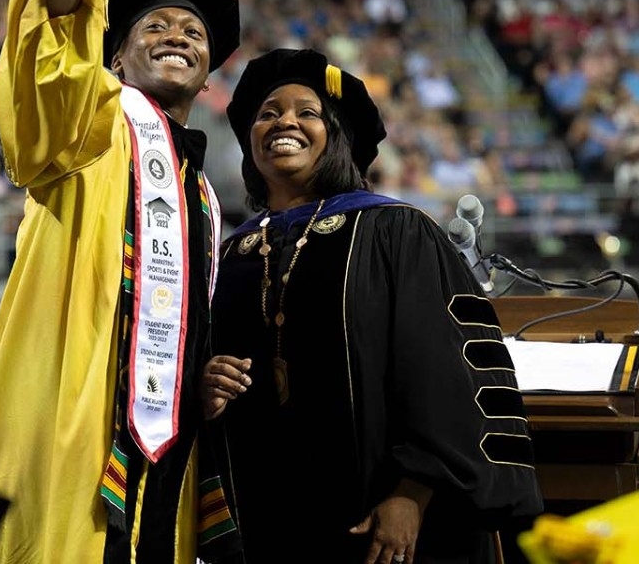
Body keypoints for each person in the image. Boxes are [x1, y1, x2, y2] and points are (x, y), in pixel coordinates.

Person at [0, 0, 242, 564]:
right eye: (156, 25)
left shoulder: (203, 198)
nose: (178, 33)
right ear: (115, 55)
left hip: (166, 453)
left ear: (209, 72)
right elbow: (51, 66)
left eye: (193, 32)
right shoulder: (93, 125)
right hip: (76, 415)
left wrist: (200, 369)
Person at [203, 49, 543, 564]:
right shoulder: (234, 253)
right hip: (263, 516)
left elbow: (445, 371)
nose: (284, 122)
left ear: (336, 136)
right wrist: (205, 382)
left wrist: (412, 493)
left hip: (381, 514)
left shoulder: (396, 231)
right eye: (268, 113)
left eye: (307, 112)